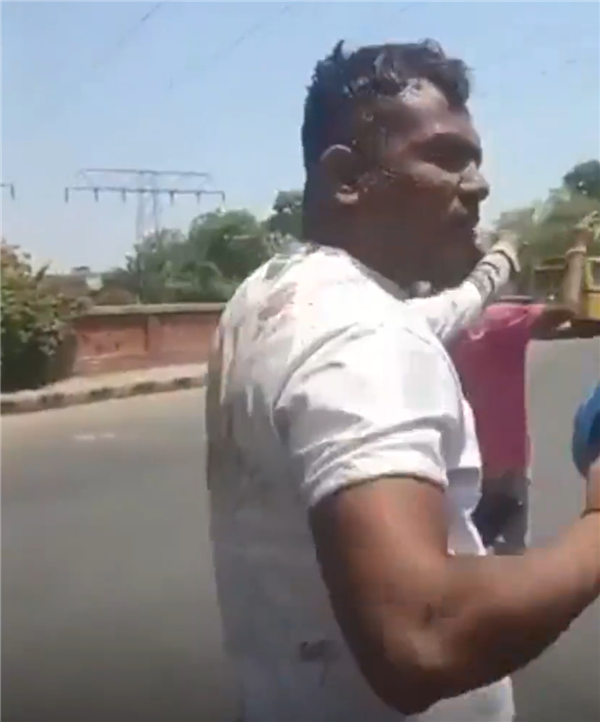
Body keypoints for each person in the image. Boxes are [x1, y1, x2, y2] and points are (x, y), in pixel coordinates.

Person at [206, 40, 600, 722]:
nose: (478, 184)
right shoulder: (367, 334)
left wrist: (493, 268)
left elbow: (446, 311)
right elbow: (422, 638)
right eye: (446, 157)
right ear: (347, 178)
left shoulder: (269, 295)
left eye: (475, 159)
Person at [451, 227, 600, 555]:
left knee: (466, 550)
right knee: (509, 557)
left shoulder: (448, 321)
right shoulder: (500, 320)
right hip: (506, 468)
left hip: (462, 459)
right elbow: (568, 309)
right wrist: (577, 249)